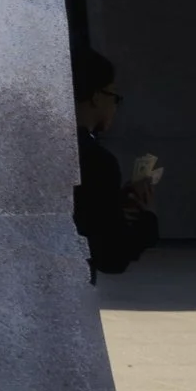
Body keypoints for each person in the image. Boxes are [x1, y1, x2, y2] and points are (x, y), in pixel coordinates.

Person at [72, 52, 159, 279]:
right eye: (114, 97)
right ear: (96, 97)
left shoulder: (35, 149)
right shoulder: (96, 161)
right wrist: (146, 219)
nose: (115, 106)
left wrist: (112, 204)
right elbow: (111, 257)